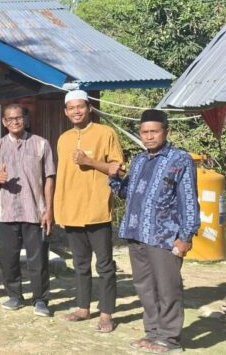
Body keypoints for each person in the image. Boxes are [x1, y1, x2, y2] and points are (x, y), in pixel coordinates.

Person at [111, 109, 200, 354]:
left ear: (165, 131)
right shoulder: (139, 160)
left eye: (154, 131)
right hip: (136, 232)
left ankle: (169, 340)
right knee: (144, 286)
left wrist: (186, 236)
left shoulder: (180, 159)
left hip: (164, 235)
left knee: (167, 287)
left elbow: (189, 200)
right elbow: (127, 193)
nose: (149, 136)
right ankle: (152, 333)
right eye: (144, 132)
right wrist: (114, 178)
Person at [54, 90, 124, 332]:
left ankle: (106, 313)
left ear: (89, 108)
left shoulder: (106, 133)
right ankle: (83, 308)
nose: (76, 111)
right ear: (65, 111)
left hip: (97, 211)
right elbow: (61, 177)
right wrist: (59, 210)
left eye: (80, 107)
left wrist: (90, 162)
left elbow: (118, 170)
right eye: (71, 108)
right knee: (80, 263)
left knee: (104, 265)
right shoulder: (63, 139)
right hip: (71, 211)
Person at [0, 104, 55, 317]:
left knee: (38, 258)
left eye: (19, 117)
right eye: (10, 118)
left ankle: (40, 299)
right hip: (7, 211)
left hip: (35, 210)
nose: (15, 121)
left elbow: (49, 178)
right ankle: (14, 295)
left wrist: (49, 209)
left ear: (24, 119)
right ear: (4, 122)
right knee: (9, 257)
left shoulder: (41, 144)